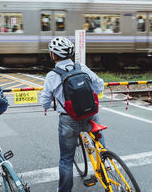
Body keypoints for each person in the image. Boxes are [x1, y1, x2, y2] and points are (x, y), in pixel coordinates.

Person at [40, 37, 105, 192]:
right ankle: (105, 171)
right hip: (91, 116)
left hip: (68, 120)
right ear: (71, 53)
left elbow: (45, 103)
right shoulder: (81, 67)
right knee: (101, 149)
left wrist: (53, 102)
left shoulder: (52, 75)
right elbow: (100, 86)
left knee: (66, 160)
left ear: (53, 55)